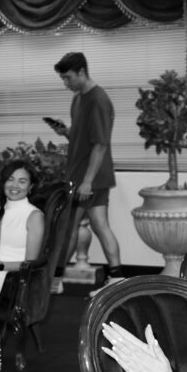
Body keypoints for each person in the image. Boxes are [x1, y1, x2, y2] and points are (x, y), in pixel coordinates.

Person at [56, 52, 121, 275]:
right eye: (63, 79)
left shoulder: (98, 100)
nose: (66, 83)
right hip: (81, 176)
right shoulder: (78, 98)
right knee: (99, 225)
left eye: (68, 78)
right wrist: (65, 132)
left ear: (82, 72)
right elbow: (83, 136)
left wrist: (87, 182)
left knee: (70, 227)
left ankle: (54, 277)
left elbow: (100, 145)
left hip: (89, 179)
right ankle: (117, 275)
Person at [0, 162, 45, 325]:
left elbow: (30, 263)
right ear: (3, 183)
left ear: (31, 187)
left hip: (11, 278)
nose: (15, 186)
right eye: (10, 179)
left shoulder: (34, 215)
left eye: (22, 181)